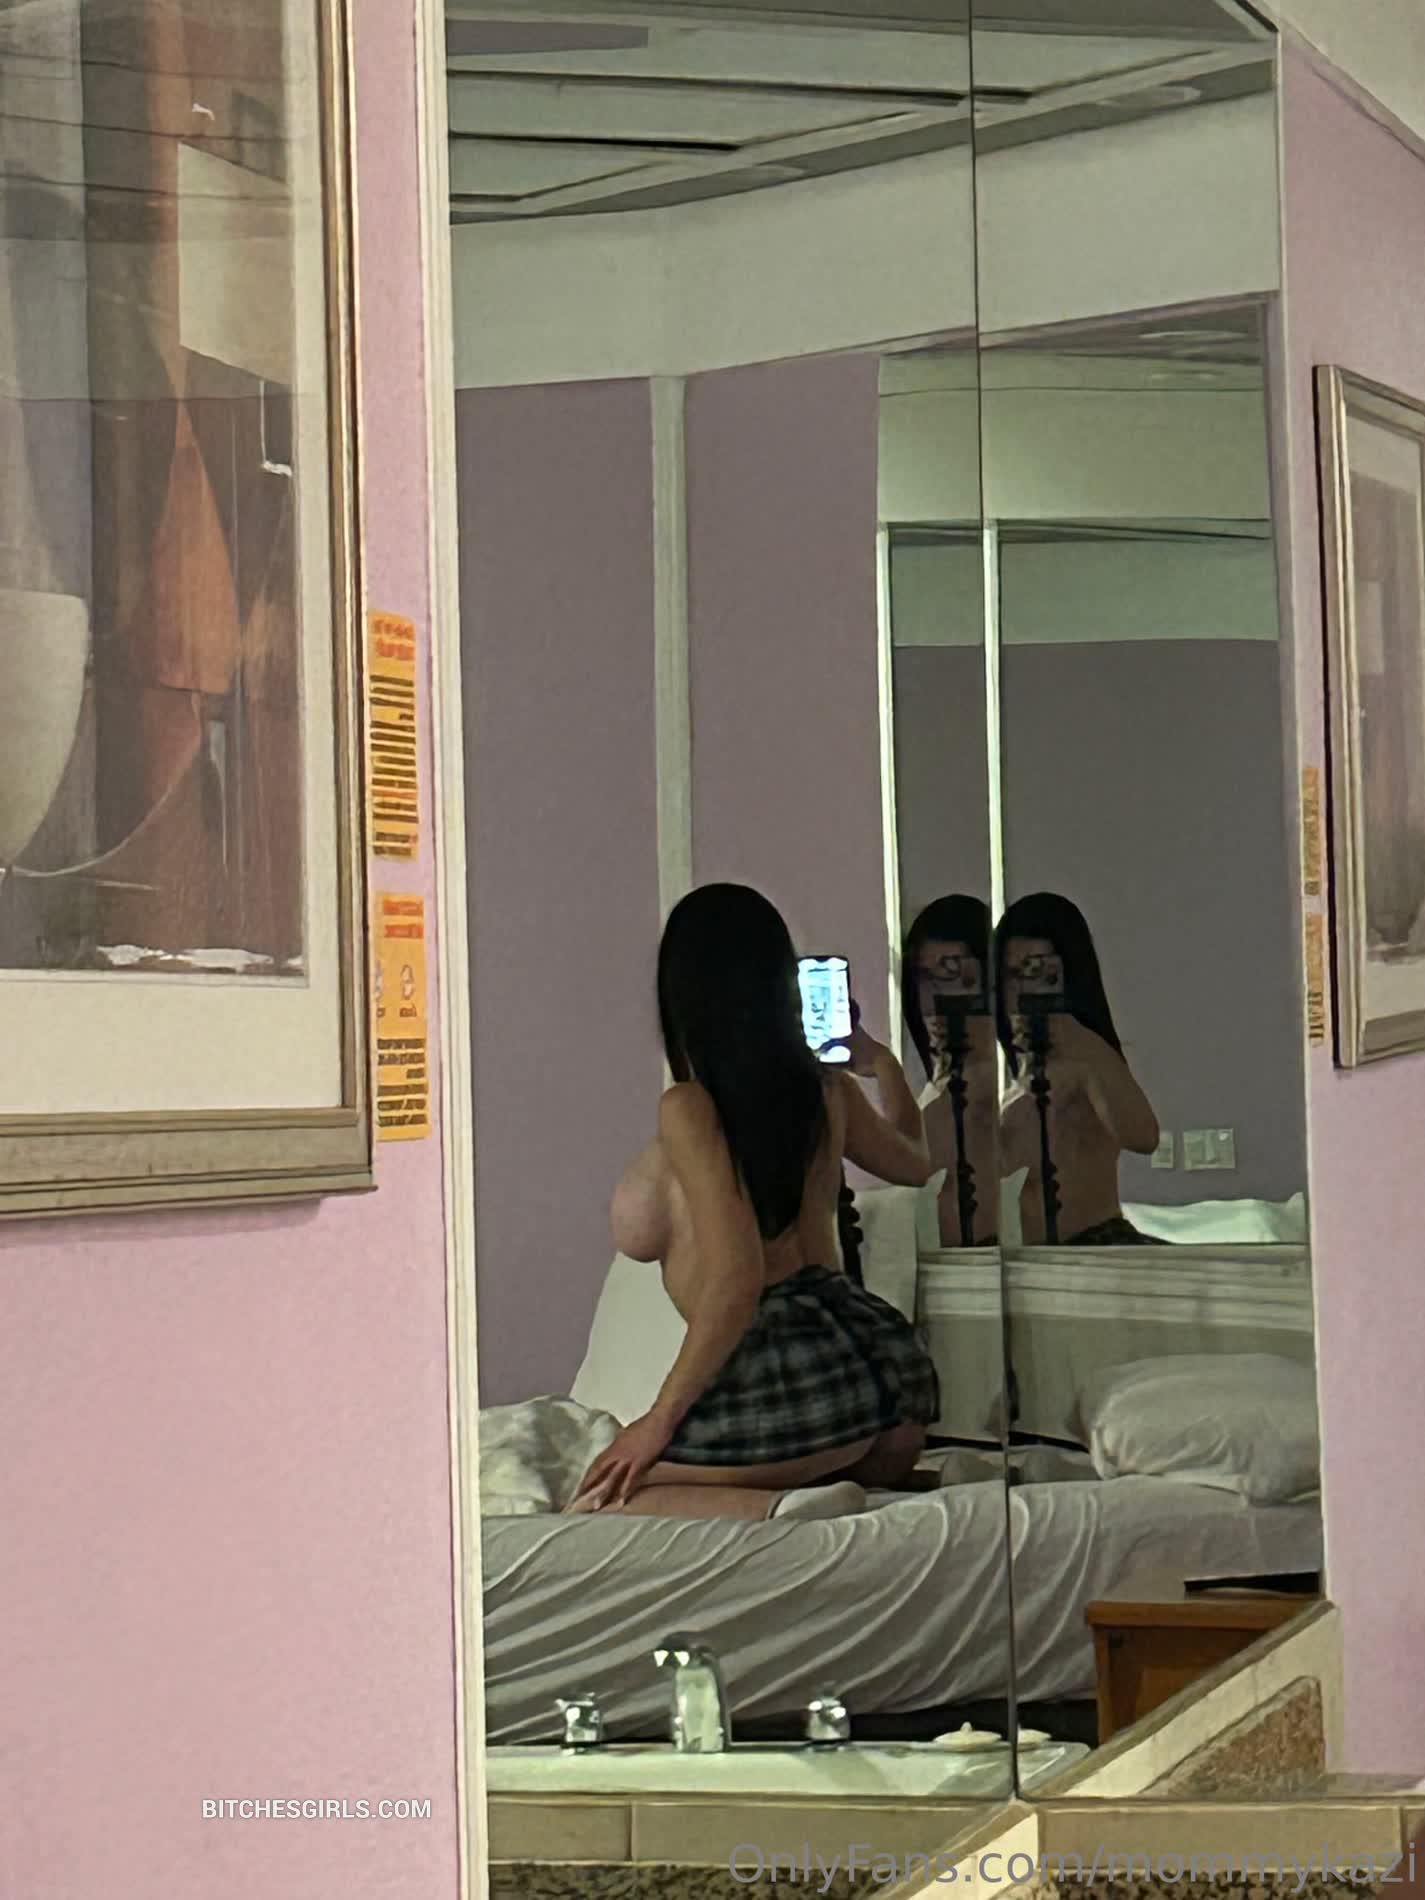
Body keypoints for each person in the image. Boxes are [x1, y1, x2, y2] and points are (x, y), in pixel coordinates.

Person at [573, 883, 940, 1521]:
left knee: (603, 1497)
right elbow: (916, 1161)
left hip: (791, 1384)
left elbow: (737, 1280)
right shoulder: (824, 1088)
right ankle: (822, 1481)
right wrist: (880, 1064)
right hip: (878, 1376)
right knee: (626, 1476)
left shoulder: (690, 1108)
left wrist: (658, 1422)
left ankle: (781, 1508)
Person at [995, 892, 1159, 1246]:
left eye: (1037, 972)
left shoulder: (1086, 1060)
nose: (1021, 990)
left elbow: (1144, 1136)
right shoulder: (1017, 1083)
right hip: (1038, 1260)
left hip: (1093, 1248)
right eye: (1011, 975)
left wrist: (1076, 1034)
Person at [902, 895, 998, 1247]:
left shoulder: (998, 1085)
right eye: (925, 979)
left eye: (954, 976)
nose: (935, 1000)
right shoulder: (940, 1085)